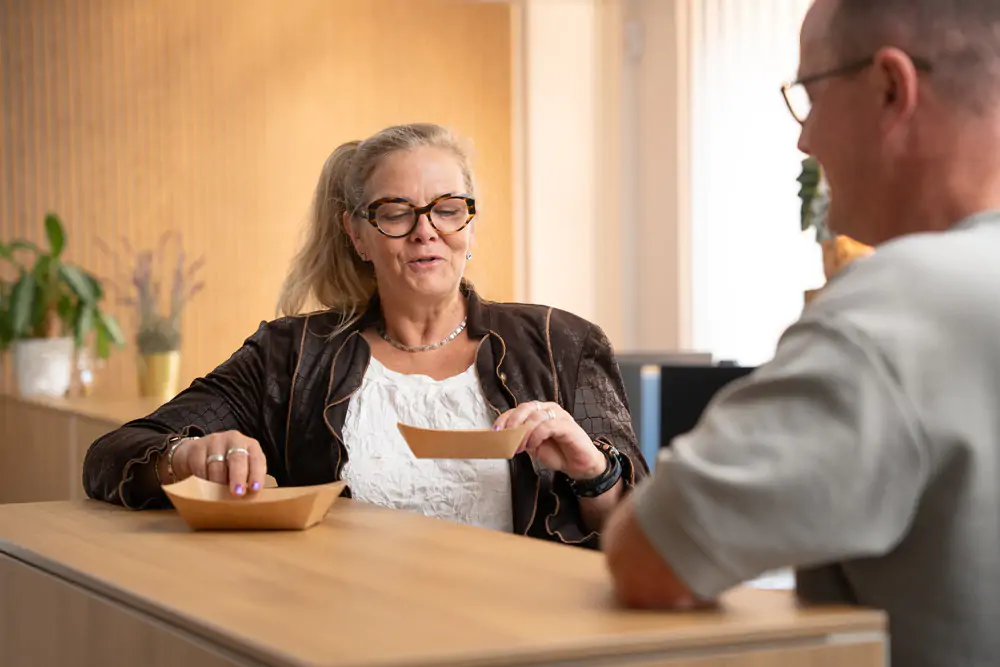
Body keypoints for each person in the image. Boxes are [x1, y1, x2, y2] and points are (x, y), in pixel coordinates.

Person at [603, 0, 1000, 665]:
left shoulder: (901, 307)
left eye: (809, 96)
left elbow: (654, 553)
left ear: (889, 87)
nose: (804, 139)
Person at [84, 122, 647, 546]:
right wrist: (189, 455)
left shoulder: (561, 344)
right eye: (397, 213)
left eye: (448, 210)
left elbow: (641, 536)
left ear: (468, 225)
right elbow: (110, 457)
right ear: (358, 235)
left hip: (523, 632)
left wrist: (594, 472)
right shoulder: (290, 355)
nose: (426, 232)